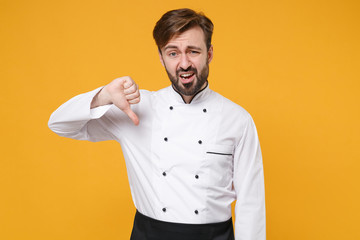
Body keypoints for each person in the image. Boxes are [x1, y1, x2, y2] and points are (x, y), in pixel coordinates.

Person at [48, 8, 266, 240]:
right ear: (161, 58)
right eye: (173, 53)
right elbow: (59, 123)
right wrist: (103, 96)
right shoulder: (136, 107)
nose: (184, 64)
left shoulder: (238, 119)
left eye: (193, 51)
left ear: (209, 54)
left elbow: (251, 203)